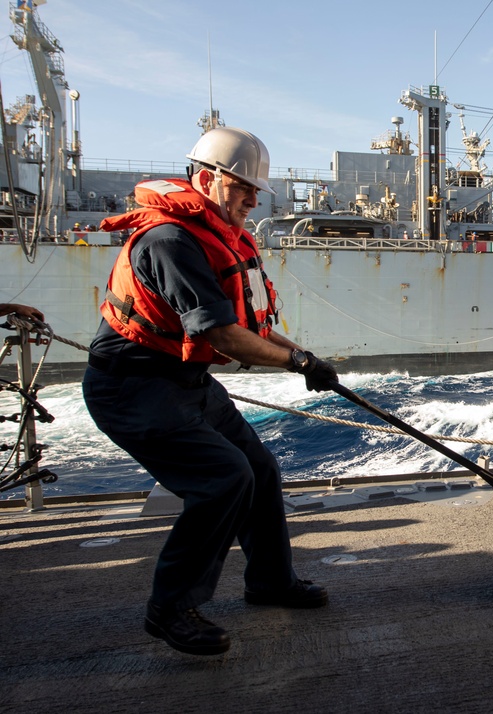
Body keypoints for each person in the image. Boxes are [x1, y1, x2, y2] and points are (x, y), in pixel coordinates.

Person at [82, 127, 341, 657]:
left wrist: (306, 358)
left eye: (255, 191)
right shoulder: (170, 241)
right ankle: (170, 608)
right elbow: (219, 335)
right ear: (204, 178)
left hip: (185, 382)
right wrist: (298, 362)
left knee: (260, 470)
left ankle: (270, 581)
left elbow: (248, 324)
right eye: (241, 186)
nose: (251, 199)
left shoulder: (217, 236)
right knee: (224, 480)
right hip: (132, 386)